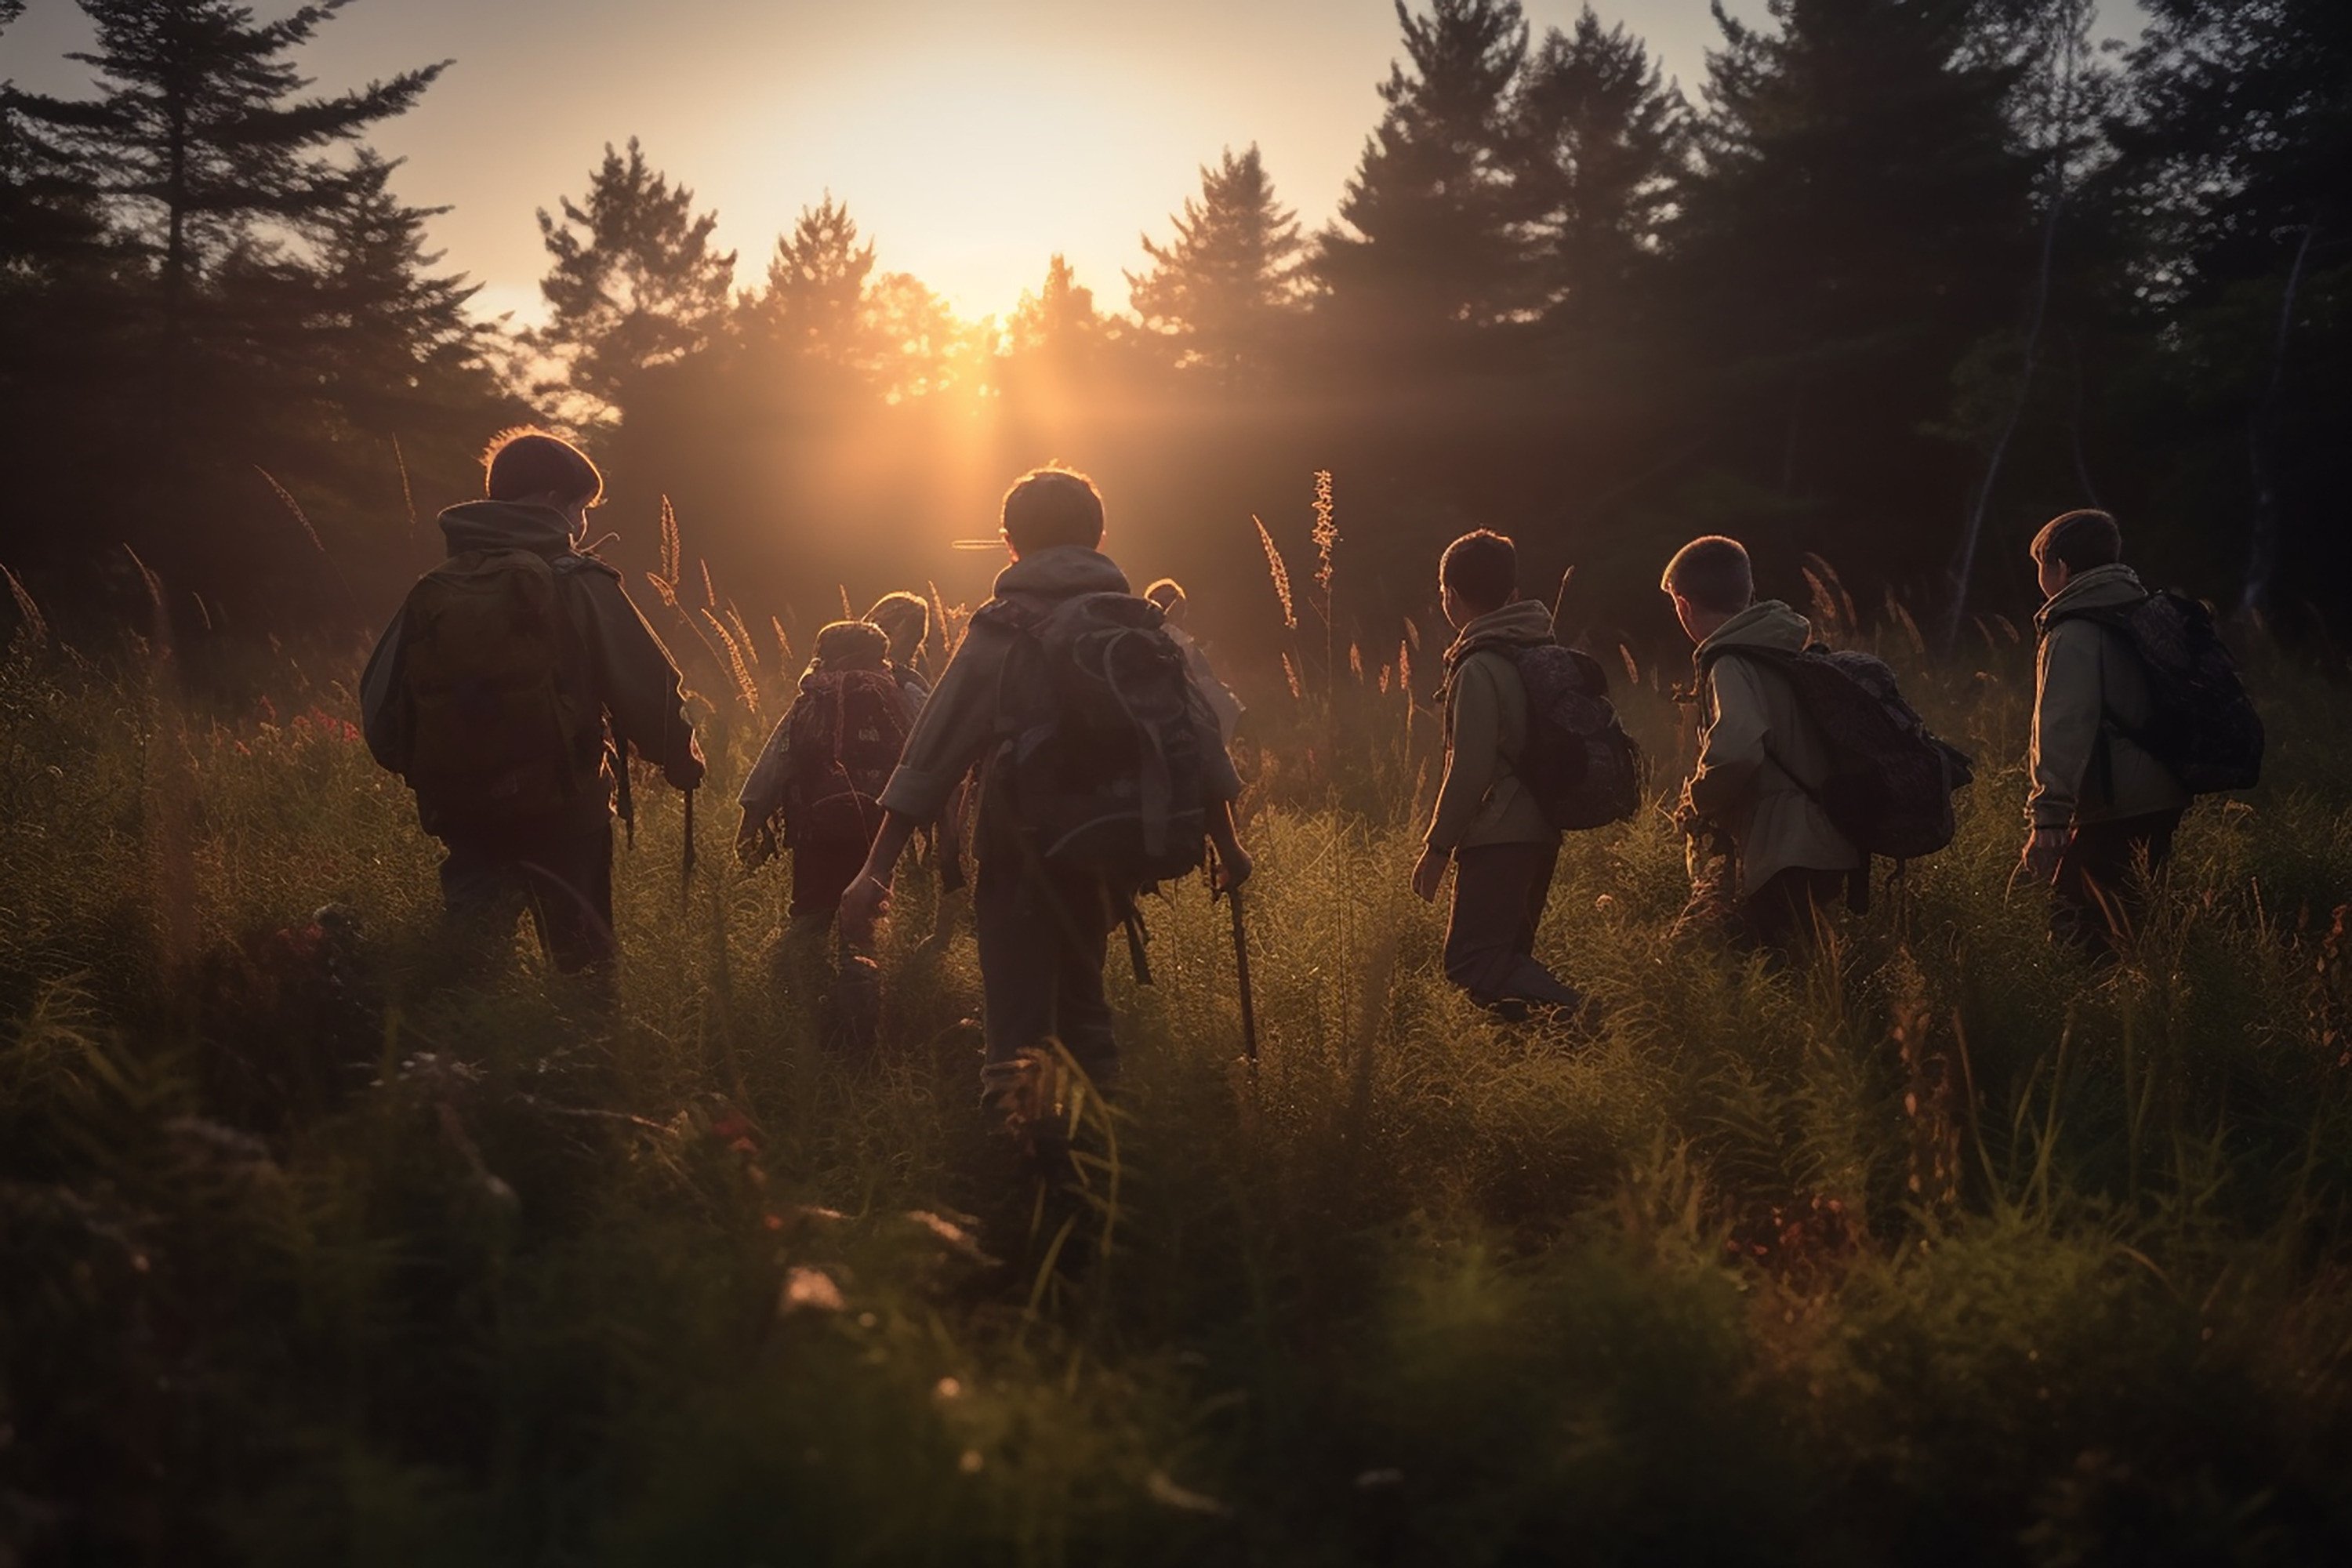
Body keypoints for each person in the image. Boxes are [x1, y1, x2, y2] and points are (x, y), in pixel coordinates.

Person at [837, 466, 1253, 1125]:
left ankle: (1027, 1179)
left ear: (1010, 544)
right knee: (1084, 1002)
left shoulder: (1004, 628)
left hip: (1023, 850)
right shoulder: (1142, 624)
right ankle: (1100, 1160)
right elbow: (1199, 737)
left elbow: (933, 750)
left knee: (1018, 1022)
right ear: (1099, 536)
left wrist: (876, 867)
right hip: (1114, 845)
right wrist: (1228, 844)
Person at [361, 428, 703, 976]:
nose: (583, 522)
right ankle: (583, 1057)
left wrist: (443, 771)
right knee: (582, 964)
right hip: (565, 807)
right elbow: (647, 685)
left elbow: (378, 709)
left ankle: (453, 1053)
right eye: (581, 507)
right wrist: (681, 758)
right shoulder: (577, 580)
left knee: (466, 963)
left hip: (463, 808)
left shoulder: (437, 587)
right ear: (553, 503)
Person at [1407, 531, 1588, 1022]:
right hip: (1542, 830)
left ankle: (1585, 1014)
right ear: (1511, 593)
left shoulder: (1480, 664)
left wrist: (1437, 848)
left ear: (1449, 596)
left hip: (1498, 835)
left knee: (1473, 962)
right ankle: (1545, 1055)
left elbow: (1469, 768)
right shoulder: (1536, 650)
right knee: (1506, 965)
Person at [1661, 535, 1861, 955]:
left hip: (1783, 849)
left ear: (1683, 604)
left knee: (1742, 966)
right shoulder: (1786, 647)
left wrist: (1696, 800)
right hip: (1833, 835)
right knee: (1806, 969)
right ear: (1749, 592)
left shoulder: (1729, 661)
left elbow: (1739, 750)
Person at [2018, 509, 2190, 960]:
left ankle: (2104, 1022)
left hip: (2117, 801)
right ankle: (2152, 1007)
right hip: (2166, 789)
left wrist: (2050, 817)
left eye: (2041, 566)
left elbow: (2064, 724)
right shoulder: (2144, 612)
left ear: (2061, 567)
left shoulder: (2073, 630)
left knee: (2078, 928)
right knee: (2137, 918)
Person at [739, 619, 913, 1051]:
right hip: (879, 834)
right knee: (862, 929)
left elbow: (776, 761)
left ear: (826, 654)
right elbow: (921, 757)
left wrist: (752, 820)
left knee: (811, 918)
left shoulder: (812, 699)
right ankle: (858, 1032)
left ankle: (784, 1008)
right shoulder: (897, 695)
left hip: (818, 833)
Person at [1144, 578, 1244, 748]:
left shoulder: (1150, 637)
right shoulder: (1171, 636)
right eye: (1180, 607)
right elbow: (1195, 675)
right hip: (1187, 707)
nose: (1184, 613)